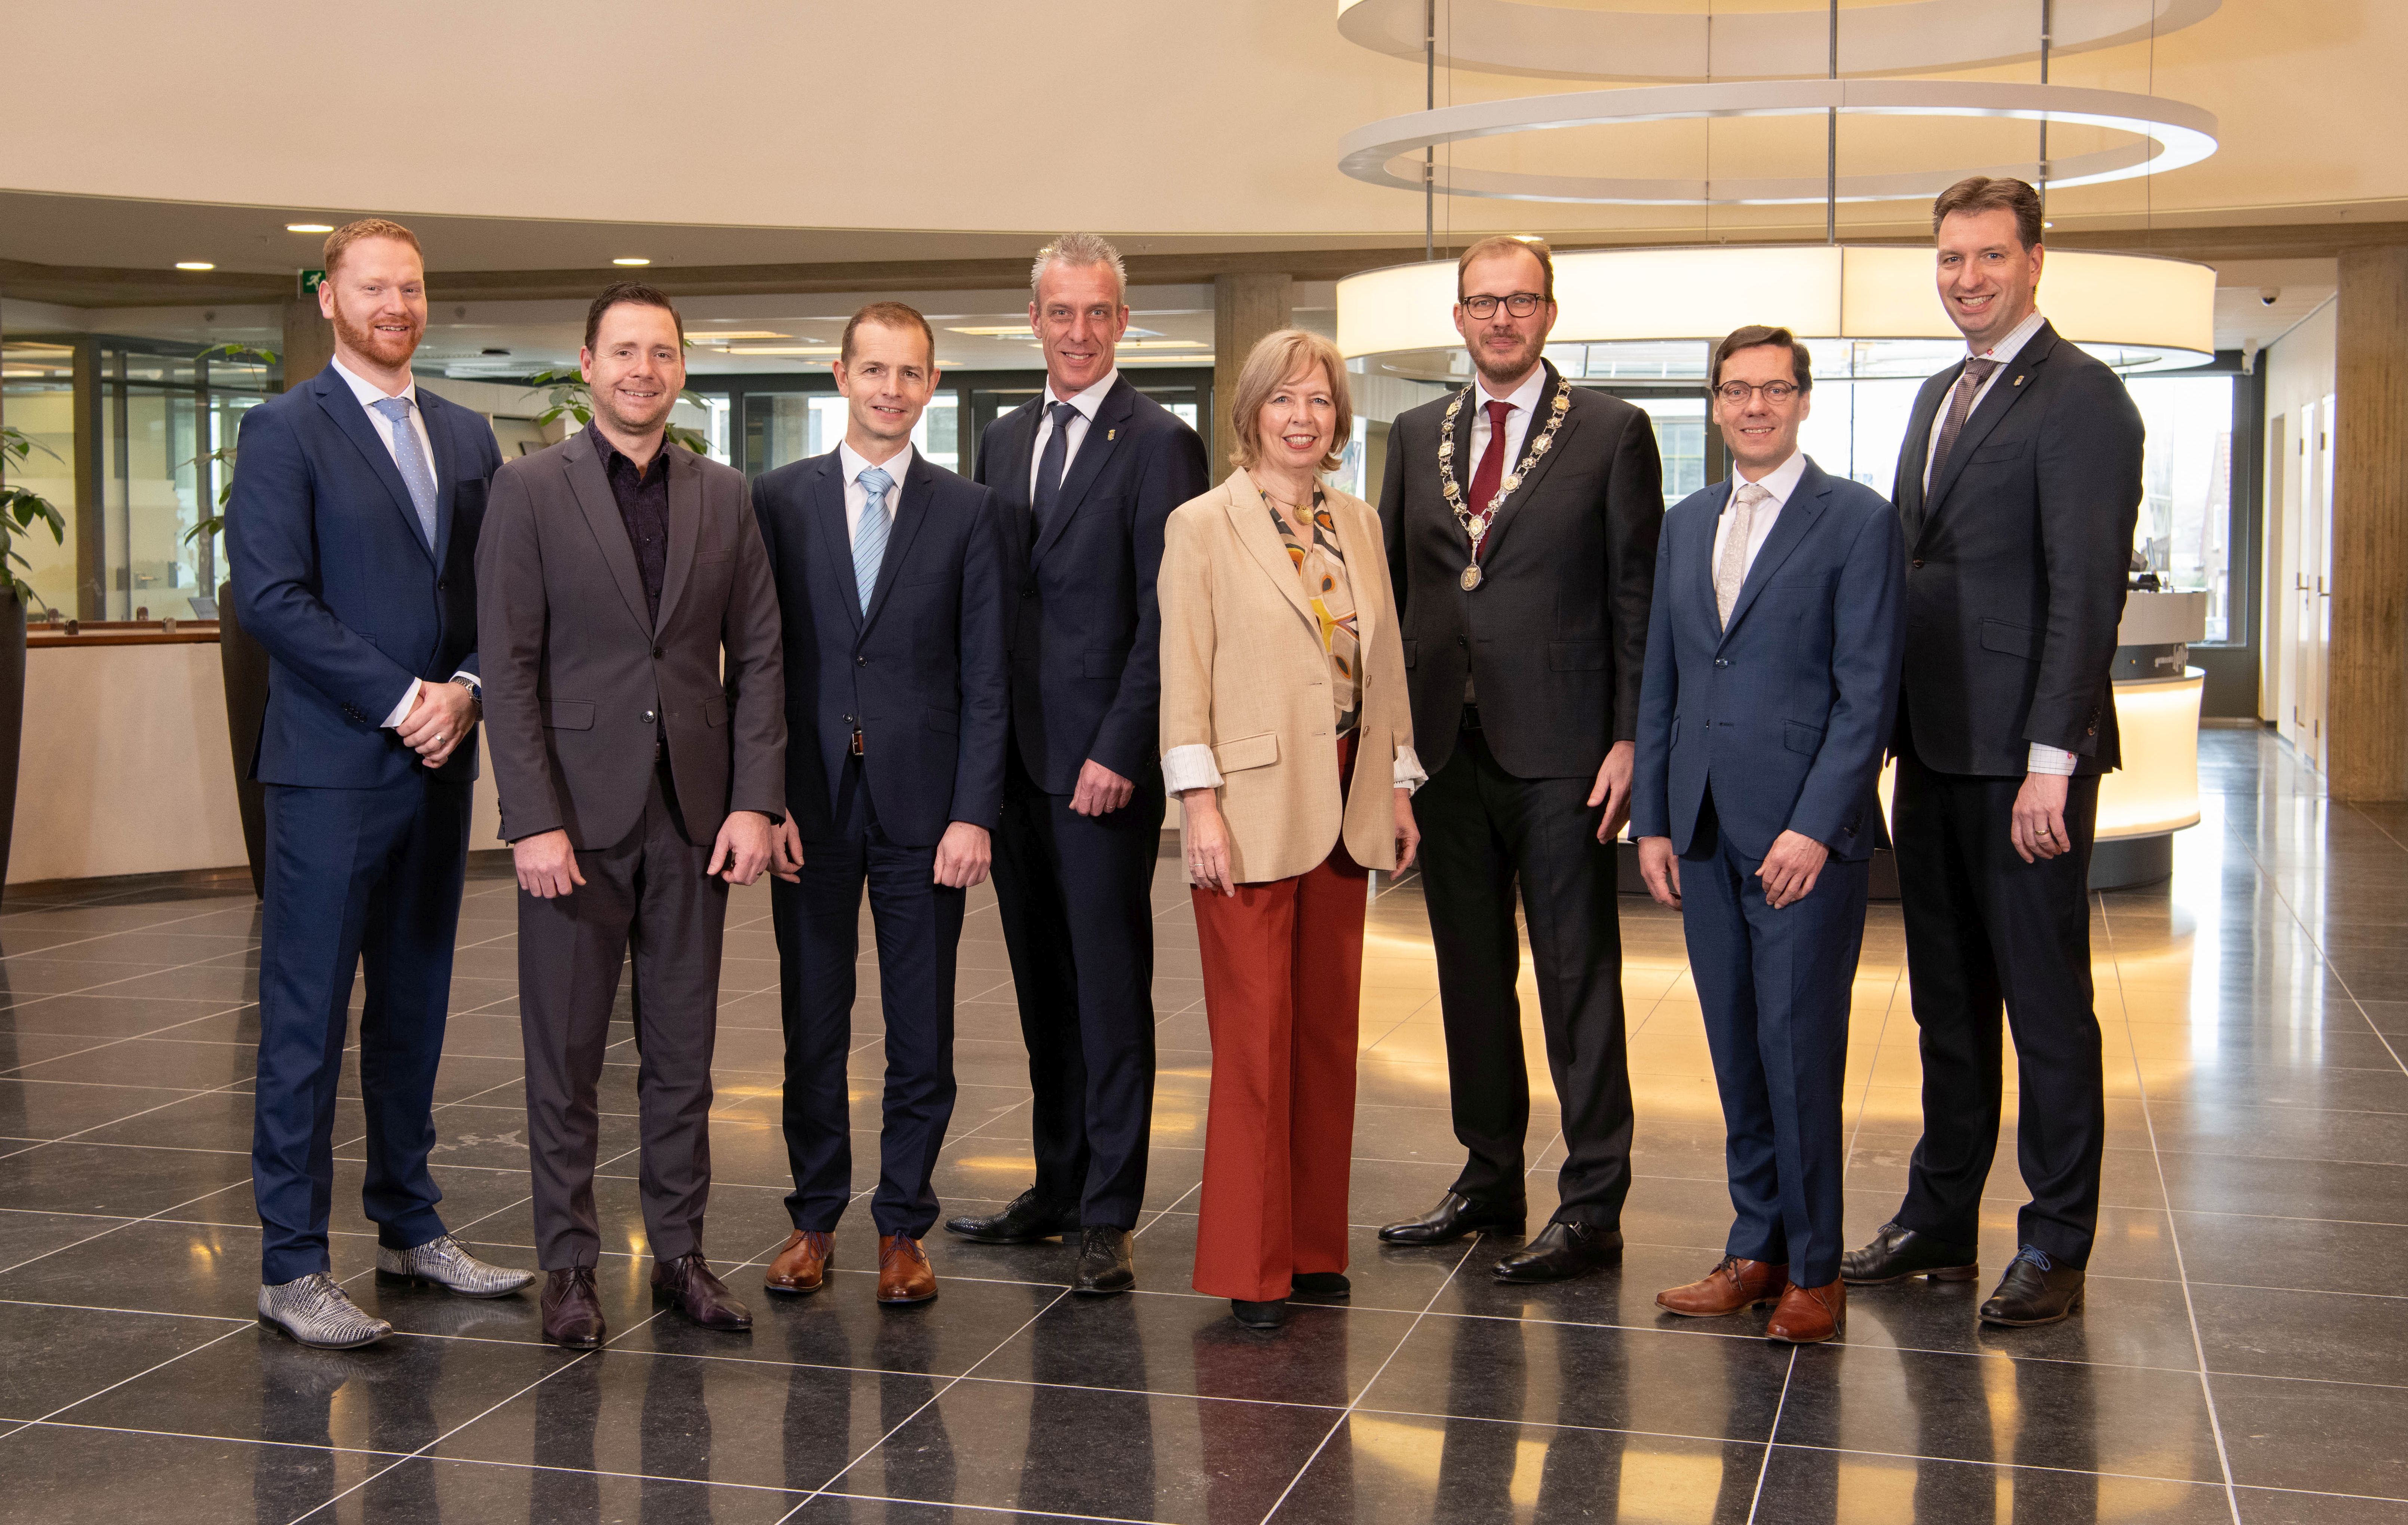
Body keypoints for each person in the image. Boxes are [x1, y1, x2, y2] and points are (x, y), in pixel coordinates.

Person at [1842, 176, 2142, 1328]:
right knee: (1946, 1005)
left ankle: (2058, 1242)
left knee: (2047, 1009)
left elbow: (2085, 595)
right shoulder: (1935, 394)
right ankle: (1941, 1218)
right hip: (1932, 748)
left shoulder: (2083, 400)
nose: (1967, 278)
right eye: (1951, 258)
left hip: (2026, 767)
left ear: (2035, 260)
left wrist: (2052, 761)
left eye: (1989, 257)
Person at [227, 217, 530, 1349]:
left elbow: (495, 594)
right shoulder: (281, 431)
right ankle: (290, 1266)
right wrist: (405, 698)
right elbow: (270, 597)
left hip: (440, 766)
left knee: (414, 1006)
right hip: (330, 772)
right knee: (306, 1024)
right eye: (372, 287)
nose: (395, 304)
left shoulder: (464, 432)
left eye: (409, 286)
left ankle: (411, 1228)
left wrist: (463, 686)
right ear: (328, 299)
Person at [478, 281, 786, 1348]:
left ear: (682, 368)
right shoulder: (527, 493)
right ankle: (570, 1268)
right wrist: (532, 819)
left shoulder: (724, 495)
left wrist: (754, 800)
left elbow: (758, 658)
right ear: (588, 363)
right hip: (573, 818)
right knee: (564, 1061)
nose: (642, 370)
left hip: (693, 819)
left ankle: (683, 1258)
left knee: (683, 1056)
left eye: (661, 352)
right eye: (623, 351)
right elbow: (510, 671)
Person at [1375, 235, 1665, 1282]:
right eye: (1483, 303)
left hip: (1565, 752)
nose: (1501, 319)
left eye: (1521, 301)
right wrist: (1394, 753)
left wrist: (1634, 735)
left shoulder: (1612, 432)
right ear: (1460, 316)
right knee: (1468, 975)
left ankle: (1592, 1202)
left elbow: (1638, 598)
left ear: (1550, 312)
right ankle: (1489, 1176)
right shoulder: (1414, 434)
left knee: (1578, 976)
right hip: (1448, 749)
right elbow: (1401, 601)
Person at [1632, 326, 1906, 1345]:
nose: (1756, 407)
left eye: (1775, 390)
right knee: (1737, 1051)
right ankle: (1756, 1249)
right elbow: (1663, 678)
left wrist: (1816, 825)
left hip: (1801, 840)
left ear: (1802, 402)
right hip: (1700, 826)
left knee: (1800, 1052)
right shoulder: (1687, 521)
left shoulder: (1857, 521)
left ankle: (1818, 1270)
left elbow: (1866, 693)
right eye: (1737, 391)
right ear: (1713, 404)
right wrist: (1653, 819)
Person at [947, 234, 1208, 1295]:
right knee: (1044, 990)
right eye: (1063, 312)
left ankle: (1109, 1209)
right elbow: (987, 604)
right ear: (1034, 319)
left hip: (1099, 768)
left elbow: (1165, 616)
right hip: (1011, 767)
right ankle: (1055, 1185)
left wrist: (1120, 747)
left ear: (1124, 322)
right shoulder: (1003, 440)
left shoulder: (1161, 444)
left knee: (1108, 992)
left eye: (1100, 313)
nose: (1081, 331)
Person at [1159, 328, 1422, 1329]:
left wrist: (1397, 784)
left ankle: (1313, 1248)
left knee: (1324, 1042)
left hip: (1350, 802)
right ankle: (1250, 1264)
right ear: (1251, 412)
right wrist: (1201, 808)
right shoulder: (1203, 525)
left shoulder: (1357, 520)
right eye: (1285, 400)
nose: (1304, 417)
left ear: (1340, 419)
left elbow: (1382, 666)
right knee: (1255, 1048)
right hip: (1251, 809)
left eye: (1320, 401)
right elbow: (1185, 676)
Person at [752, 301, 1009, 1308]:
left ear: (931, 386)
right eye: (874, 370)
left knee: (921, 1031)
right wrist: (761, 799)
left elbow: (988, 674)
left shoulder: (970, 511)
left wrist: (974, 813)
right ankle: (812, 1220)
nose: (891, 390)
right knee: (811, 1025)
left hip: (925, 812)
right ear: (840, 375)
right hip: (808, 810)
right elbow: (758, 667)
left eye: (910, 374)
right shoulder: (777, 501)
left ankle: (903, 1226)